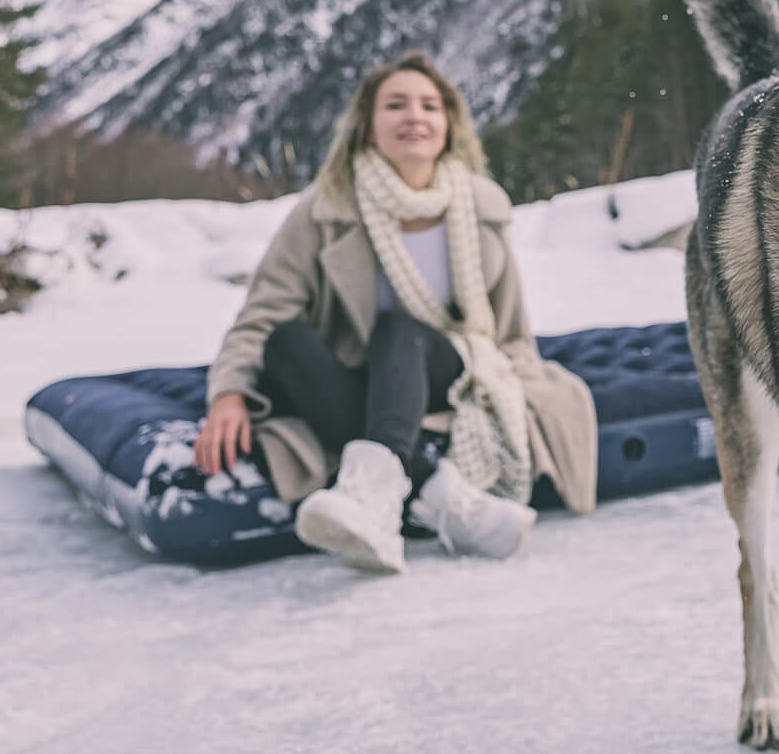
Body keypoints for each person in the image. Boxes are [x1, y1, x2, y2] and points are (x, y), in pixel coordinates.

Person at [197, 51, 597, 574]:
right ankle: (437, 493)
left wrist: (519, 396)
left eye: (430, 106)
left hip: (445, 369)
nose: (415, 116)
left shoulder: (482, 208)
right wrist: (228, 395)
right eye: (396, 105)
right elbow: (263, 314)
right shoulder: (325, 209)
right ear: (367, 126)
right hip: (354, 378)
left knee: (399, 329)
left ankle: (374, 499)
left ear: (448, 125)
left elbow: (508, 329)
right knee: (284, 341)